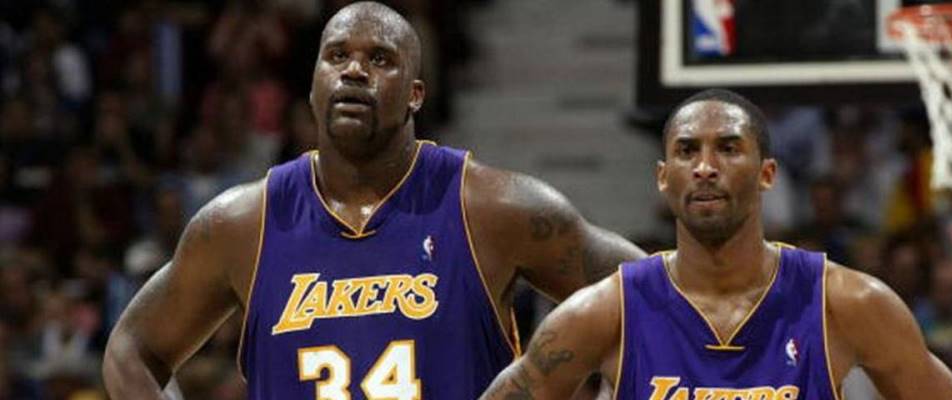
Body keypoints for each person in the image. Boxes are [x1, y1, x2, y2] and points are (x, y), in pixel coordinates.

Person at [101, 2, 645, 399]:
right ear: (313, 85)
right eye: (337, 56)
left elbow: (655, 302)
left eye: (380, 59)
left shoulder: (493, 207)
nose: (355, 70)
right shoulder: (242, 223)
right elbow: (132, 349)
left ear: (415, 94)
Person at [480, 89, 952, 400]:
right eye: (687, 151)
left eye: (729, 148)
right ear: (663, 178)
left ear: (767, 173)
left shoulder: (846, 302)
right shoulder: (607, 311)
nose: (705, 167)